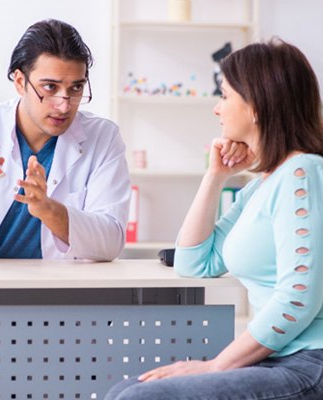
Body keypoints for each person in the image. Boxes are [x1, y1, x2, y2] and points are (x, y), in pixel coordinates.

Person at [104, 38, 323, 399]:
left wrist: (215, 365)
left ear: (256, 105)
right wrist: (215, 176)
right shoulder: (261, 185)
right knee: (125, 390)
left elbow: (299, 299)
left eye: (225, 96)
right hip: (277, 358)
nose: (217, 109)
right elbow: (193, 263)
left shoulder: (303, 174)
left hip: (309, 362)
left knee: (138, 398)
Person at [0, 19, 131, 260]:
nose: (64, 105)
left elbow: (111, 243)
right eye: (50, 87)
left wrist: (48, 209)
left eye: (76, 88)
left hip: (61, 292)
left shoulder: (103, 138)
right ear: (20, 82)